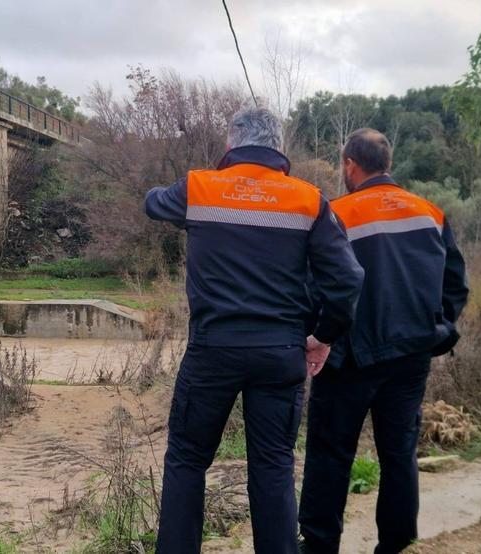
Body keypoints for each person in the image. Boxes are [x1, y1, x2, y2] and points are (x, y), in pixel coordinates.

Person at [145, 107, 365, 554]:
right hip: (281, 353)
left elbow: (153, 202)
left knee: (187, 460)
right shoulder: (309, 200)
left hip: (212, 352)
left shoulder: (198, 187)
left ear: (231, 144)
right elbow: (347, 279)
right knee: (273, 465)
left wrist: (162, 192)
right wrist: (323, 337)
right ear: (279, 148)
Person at [298, 128, 470, 553]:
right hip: (411, 358)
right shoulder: (429, 212)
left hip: (349, 360)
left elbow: (313, 286)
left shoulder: (336, 213)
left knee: (329, 457)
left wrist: (318, 336)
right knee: (399, 457)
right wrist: (438, 331)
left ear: (350, 165)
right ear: (386, 164)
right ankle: (398, 546)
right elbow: (456, 286)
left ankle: (319, 548)